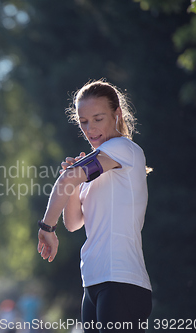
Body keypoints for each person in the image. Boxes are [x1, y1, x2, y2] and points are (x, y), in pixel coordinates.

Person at [36, 80, 152, 332]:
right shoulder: (98, 163)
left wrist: (46, 227)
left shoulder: (123, 148)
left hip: (121, 280)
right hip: (93, 281)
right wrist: (76, 182)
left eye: (98, 119)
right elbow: (74, 222)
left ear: (116, 114)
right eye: (83, 121)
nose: (90, 129)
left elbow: (66, 181)